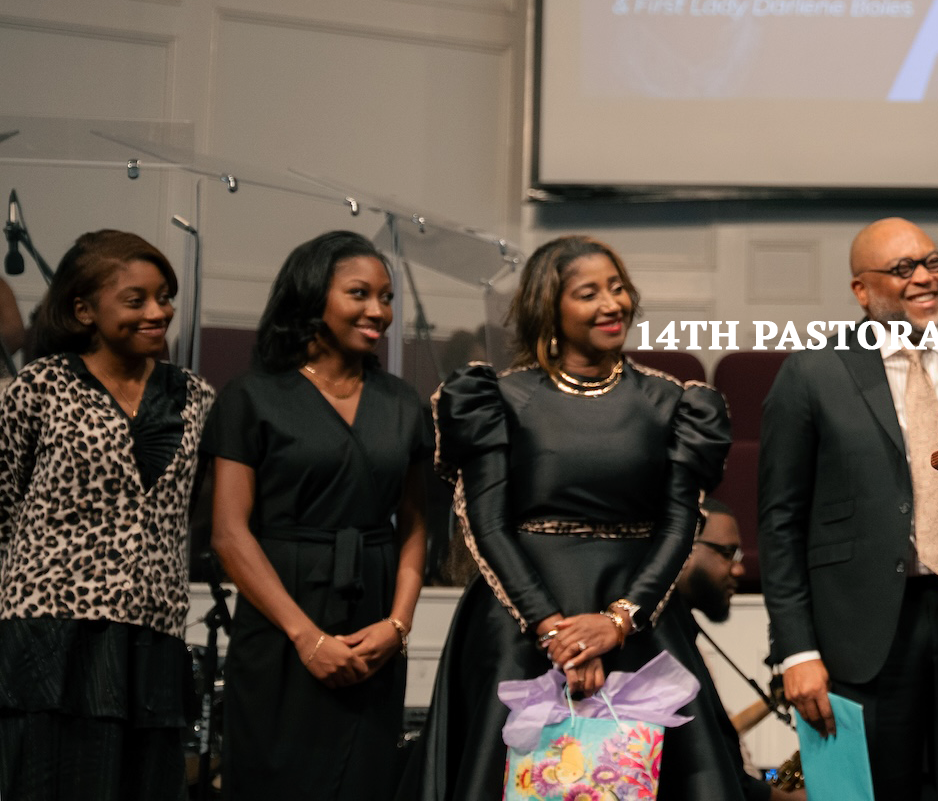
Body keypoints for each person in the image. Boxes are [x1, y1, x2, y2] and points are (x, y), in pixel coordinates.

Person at [409, 234, 745, 801]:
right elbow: (486, 526)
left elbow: (679, 525)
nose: (611, 304)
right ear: (549, 307)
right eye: (589, 293)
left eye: (617, 288)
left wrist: (618, 622)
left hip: (639, 622)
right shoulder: (498, 398)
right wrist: (555, 631)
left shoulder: (674, 403)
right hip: (522, 625)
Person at [759, 217, 938, 801]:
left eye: (933, 263)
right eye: (903, 269)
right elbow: (780, 524)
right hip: (862, 627)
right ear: (862, 289)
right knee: (872, 791)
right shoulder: (811, 374)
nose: (925, 278)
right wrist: (796, 651)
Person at [206, 230, 431, 799]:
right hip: (282, 617)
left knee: (363, 781)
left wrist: (398, 627)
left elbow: (415, 526)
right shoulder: (252, 396)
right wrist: (305, 636)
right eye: (359, 293)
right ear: (312, 296)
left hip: (374, 619)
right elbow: (230, 534)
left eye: (385, 297)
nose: (377, 310)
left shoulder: (404, 402)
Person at [0, 230, 215, 800]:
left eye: (164, 297)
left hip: (153, 631)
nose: (158, 312)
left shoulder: (196, 397)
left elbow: (194, 506)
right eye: (136, 299)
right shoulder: (40, 387)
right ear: (83, 310)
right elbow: (2, 506)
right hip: (53, 634)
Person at [665, 498, 805, 801]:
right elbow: (708, 766)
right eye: (728, 553)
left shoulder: (684, 637)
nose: (740, 569)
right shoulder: (666, 646)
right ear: (683, 548)